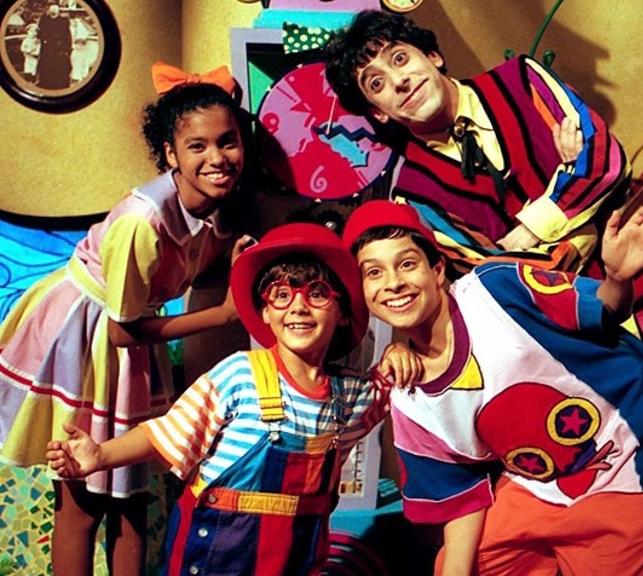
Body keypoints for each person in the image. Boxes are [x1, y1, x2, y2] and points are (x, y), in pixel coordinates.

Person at [341, 199, 643, 576]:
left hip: (630, 459)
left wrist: (616, 280)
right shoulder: (408, 397)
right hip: (540, 485)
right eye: (374, 272)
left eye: (407, 264)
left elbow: (600, 311)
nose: (393, 283)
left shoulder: (495, 289)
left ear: (436, 270)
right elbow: (459, 496)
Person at [46, 221, 421, 575]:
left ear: (342, 313)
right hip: (216, 556)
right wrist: (100, 456)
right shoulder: (239, 376)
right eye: (281, 295)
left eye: (317, 294)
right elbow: (165, 432)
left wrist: (399, 350)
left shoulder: (350, 396)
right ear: (265, 312)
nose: (298, 306)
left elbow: (400, 378)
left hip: (294, 562)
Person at [0, 63, 253, 576]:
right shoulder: (143, 221)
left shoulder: (216, 207)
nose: (217, 158)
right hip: (84, 337)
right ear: (170, 154)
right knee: (81, 499)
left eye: (227, 141)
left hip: (128, 339)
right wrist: (222, 314)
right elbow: (121, 330)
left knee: (133, 499)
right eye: (198, 146)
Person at [324, 9, 630, 276]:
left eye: (400, 59)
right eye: (377, 83)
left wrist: (528, 231)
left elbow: (606, 161)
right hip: (568, 319)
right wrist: (581, 214)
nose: (399, 81)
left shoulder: (523, 80)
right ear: (377, 112)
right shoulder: (415, 198)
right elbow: (493, 275)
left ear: (432, 55)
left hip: (641, 262)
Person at [36, 3, 72, 89]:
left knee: (60, 67)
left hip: (59, 49)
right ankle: (45, 83)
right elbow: (40, 32)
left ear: (58, 11)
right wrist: (43, 39)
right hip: (47, 48)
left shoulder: (63, 21)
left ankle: (60, 85)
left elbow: (67, 35)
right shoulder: (44, 20)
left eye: (55, 9)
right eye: (51, 9)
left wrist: (67, 48)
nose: (53, 10)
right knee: (46, 66)